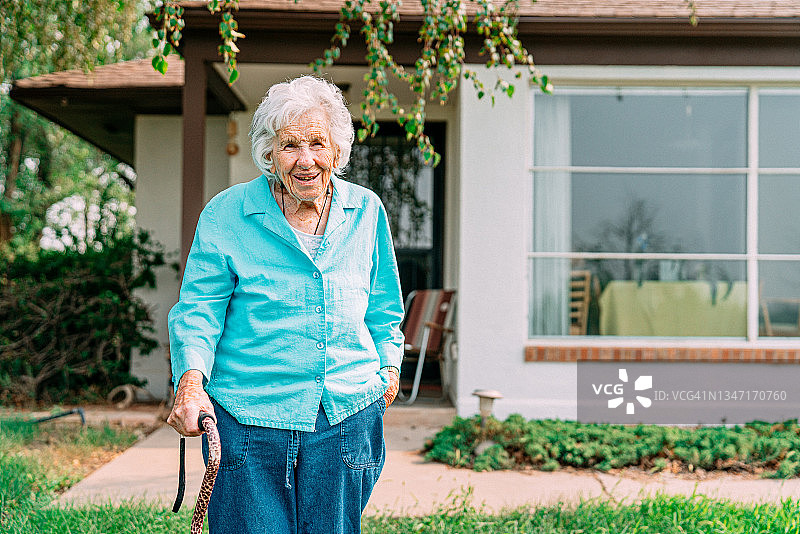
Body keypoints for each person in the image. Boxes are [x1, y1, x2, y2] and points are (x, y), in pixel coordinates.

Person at [166, 75, 404, 533]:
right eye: (291, 144)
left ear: (337, 151)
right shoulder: (226, 213)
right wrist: (191, 385)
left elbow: (383, 307)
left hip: (347, 417)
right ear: (268, 153)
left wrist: (388, 373)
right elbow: (199, 309)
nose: (306, 159)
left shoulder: (367, 212)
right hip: (248, 421)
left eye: (318, 143)